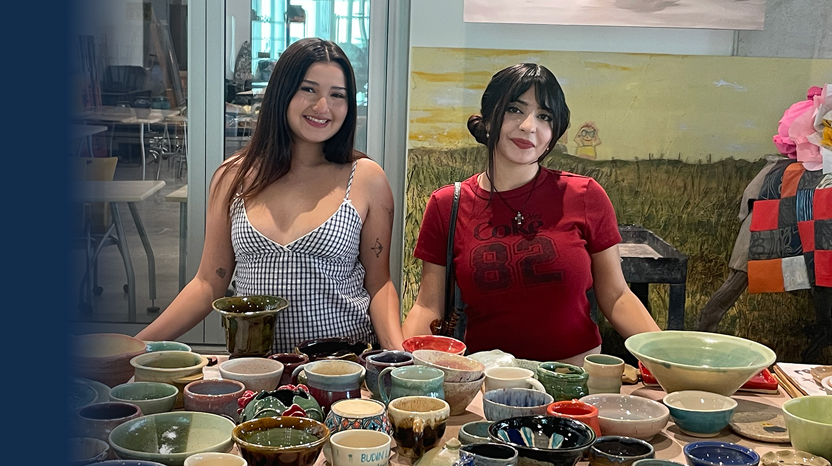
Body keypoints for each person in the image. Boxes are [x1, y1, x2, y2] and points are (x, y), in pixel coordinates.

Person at [136, 37, 403, 353]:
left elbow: (379, 284)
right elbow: (209, 283)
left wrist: (400, 358)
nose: (323, 106)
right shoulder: (232, 176)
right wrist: (135, 346)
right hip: (254, 368)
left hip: (341, 369)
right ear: (282, 91)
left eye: (337, 95)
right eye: (308, 89)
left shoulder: (366, 178)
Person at [402, 63, 659, 364]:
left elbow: (616, 296)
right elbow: (428, 306)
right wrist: (398, 368)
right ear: (488, 119)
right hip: (485, 384)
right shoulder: (447, 204)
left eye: (544, 116)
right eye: (514, 109)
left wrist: (665, 360)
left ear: (554, 133)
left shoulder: (585, 195)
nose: (528, 126)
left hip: (572, 383)